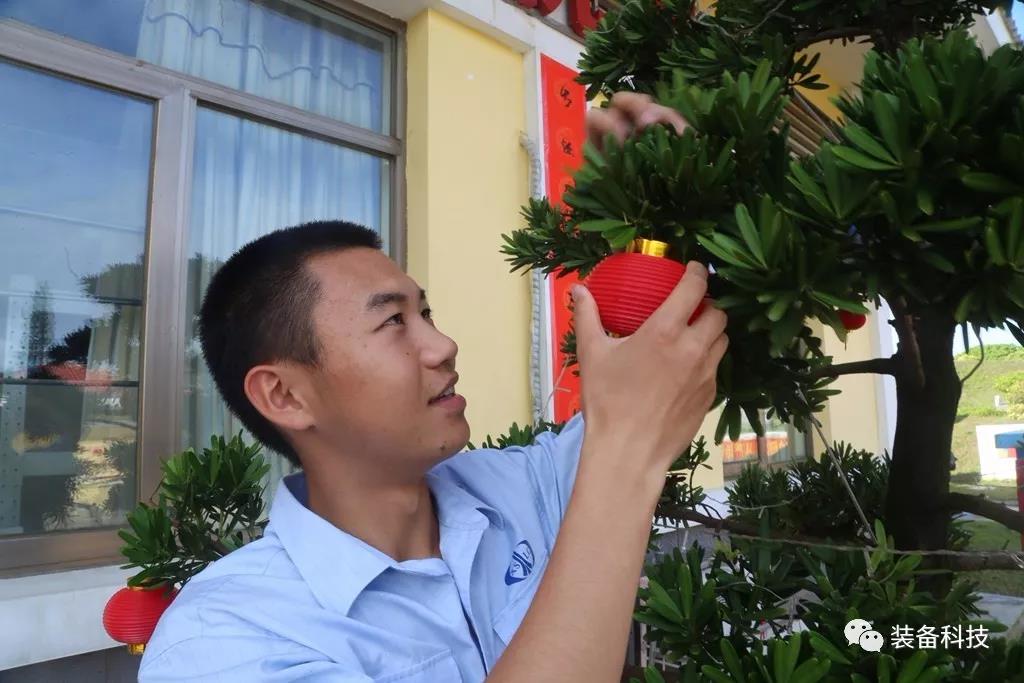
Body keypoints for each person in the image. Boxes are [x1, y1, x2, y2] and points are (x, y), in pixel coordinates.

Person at [139, 92, 728, 682]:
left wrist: (655, 209)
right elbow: (622, 441)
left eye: (427, 313)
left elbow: (668, 366)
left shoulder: (520, 488)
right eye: (393, 321)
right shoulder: (223, 640)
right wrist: (626, 451)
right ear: (285, 396)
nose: (443, 345)